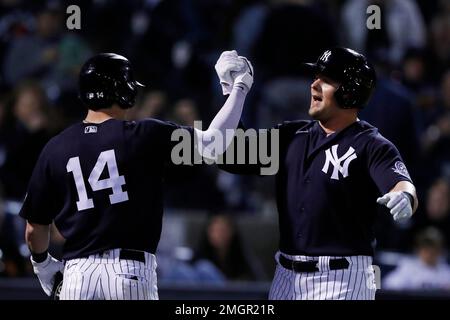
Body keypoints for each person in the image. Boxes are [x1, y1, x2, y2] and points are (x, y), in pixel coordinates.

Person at [19, 51, 254, 300]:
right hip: (129, 273)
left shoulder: (56, 147)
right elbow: (213, 145)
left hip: (77, 276)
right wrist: (238, 88)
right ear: (125, 91)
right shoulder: (143, 134)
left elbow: (34, 230)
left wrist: (43, 266)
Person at [219, 47, 418, 300]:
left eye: (326, 80)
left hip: (342, 280)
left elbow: (402, 184)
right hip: (286, 278)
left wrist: (405, 197)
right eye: (315, 77)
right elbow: (232, 156)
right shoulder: (290, 136)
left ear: (350, 90)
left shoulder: (371, 144)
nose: (314, 85)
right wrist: (232, 92)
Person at [383, 227, 450, 291]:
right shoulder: (408, 267)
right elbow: (389, 285)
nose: (430, 251)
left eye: (434, 247)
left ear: (440, 250)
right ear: (418, 249)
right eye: (426, 247)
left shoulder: (446, 271)